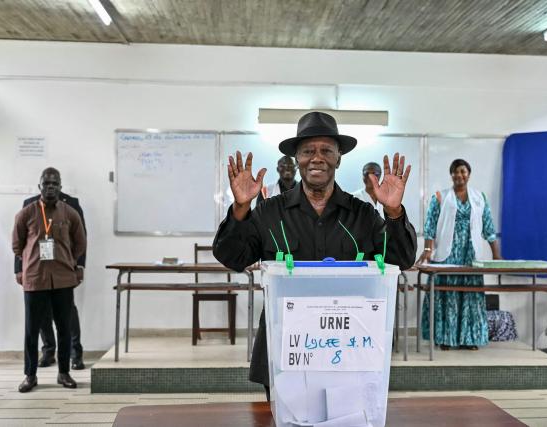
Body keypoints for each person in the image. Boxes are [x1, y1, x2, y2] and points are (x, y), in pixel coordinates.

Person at [213, 111, 417, 399]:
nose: (317, 158)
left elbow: (402, 258)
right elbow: (232, 256)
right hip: (285, 352)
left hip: (347, 351)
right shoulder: (270, 213)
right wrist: (240, 209)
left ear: (338, 158)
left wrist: (394, 212)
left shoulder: (362, 215)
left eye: (326, 151)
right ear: (297, 158)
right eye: (308, 151)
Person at [12, 167, 87, 392]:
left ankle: (64, 373)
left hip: (63, 279)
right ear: (40, 187)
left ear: (60, 187)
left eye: (55, 184)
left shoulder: (70, 212)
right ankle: (30, 375)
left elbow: (80, 242)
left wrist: (68, 261)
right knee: (31, 330)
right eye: (46, 184)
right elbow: (17, 244)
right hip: (35, 279)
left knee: (64, 327)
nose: (50, 187)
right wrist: (27, 263)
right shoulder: (27, 212)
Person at [417, 159, 501, 351]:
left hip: (471, 256)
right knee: (447, 295)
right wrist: (428, 250)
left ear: (469, 174)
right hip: (448, 254)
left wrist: (496, 255)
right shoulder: (440, 197)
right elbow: (430, 227)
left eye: (463, 171)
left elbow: (488, 228)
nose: (459, 175)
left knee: (470, 296)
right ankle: (445, 338)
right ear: (451, 175)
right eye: (455, 172)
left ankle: (469, 339)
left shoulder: (480, 198)